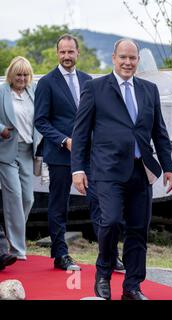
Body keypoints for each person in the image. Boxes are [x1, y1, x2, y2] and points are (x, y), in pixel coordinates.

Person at [71, 39, 172, 300]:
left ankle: (132, 286)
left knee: (139, 229)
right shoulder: (94, 88)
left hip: (141, 171)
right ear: (114, 59)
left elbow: (159, 133)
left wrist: (169, 167)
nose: (128, 62)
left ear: (137, 60)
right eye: (123, 58)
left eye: (132, 58)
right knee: (112, 222)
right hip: (107, 171)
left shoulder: (149, 90)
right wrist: (77, 169)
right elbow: (81, 133)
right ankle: (103, 273)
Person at [34, 34, 92, 271]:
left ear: (78, 53)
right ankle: (60, 254)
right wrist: (64, 141)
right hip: (59, 154)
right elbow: (41, 121)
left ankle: (109, 254)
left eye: (71, 52)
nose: (67, 56)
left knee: (99, 201)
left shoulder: (89, 81)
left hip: (88, 154)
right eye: (62, 52)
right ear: (57, 53)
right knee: (59, 204)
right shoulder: (47, 82)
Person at [0, 56, 42, 260]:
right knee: (14, 198)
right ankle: (17, 249)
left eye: (26, 75)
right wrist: (1, 130)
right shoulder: (2, 92)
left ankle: (11, 238)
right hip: (6, 152)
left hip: (28, 152)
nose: (22, 78)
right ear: (11, 74)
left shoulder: (33, 92)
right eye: (19, 74)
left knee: (28, 198)